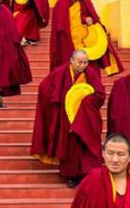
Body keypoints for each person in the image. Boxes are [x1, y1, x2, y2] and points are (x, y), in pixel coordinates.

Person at [33, 49, 105, 186]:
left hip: (86, 118)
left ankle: (88, 174)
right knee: (70, 146)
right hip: (66, 116)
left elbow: (100, 94)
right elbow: (44, 87)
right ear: (71, 61)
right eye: (80, 62)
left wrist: (85, 101)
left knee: (86, 145)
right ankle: (71, 176)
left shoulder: (90, 74)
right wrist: (57, 103)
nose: (83, 65)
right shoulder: (60, 72)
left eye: (85, 62)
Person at [49, 0, 122, 75]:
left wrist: (88, 19)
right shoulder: (61, 3)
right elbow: (59, 25)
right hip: (68, 39)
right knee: (68, 65)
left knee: (91, 65)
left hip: (85, 40)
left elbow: (95, 19)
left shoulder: (86, 2)